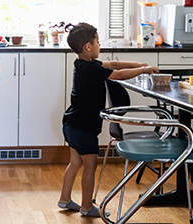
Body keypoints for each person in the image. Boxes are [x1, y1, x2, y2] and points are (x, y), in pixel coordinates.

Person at [58, 22, 158, 216]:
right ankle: (86, 206)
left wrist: (138, 65)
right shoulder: (91, 69)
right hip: (83, 127)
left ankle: (64, 199)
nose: (99, 45)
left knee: (75, 162)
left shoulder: (83, 64)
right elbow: (118, 74)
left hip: (72, 123)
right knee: (90, 165)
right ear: (88, 46)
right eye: (97, 41)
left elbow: (113, 64)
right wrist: (144, 71)